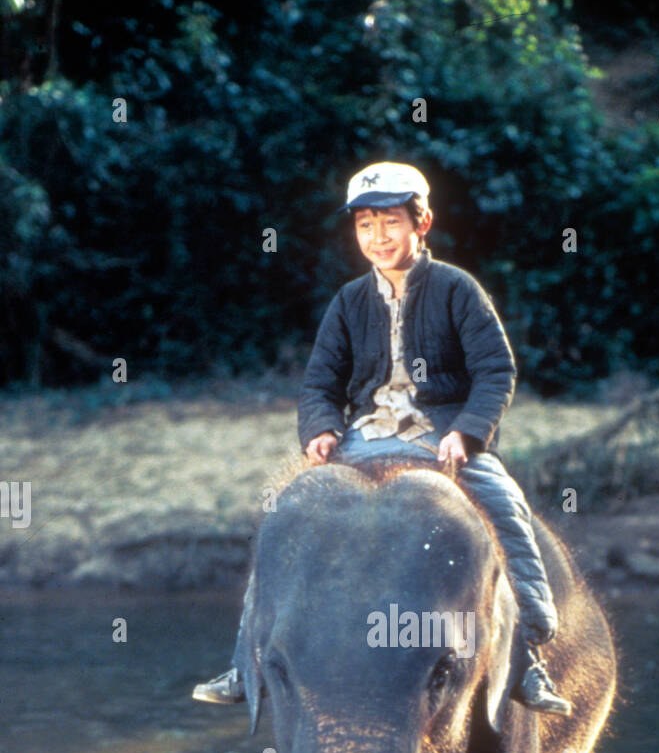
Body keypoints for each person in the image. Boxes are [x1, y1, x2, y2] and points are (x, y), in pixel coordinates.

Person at [193, 161, 571, 716]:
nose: (378, 238)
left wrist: (468, 433)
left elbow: (495, 370)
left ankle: (527, 656)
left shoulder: (457, 289)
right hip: (364, 437)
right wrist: (320, 429)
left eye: (390, 222)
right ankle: (248, 661)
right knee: (285, 517)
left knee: (503, 507)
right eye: (366, 225)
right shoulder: (348, 301)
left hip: (441, 435)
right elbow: (320, 382)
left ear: (423, 223)